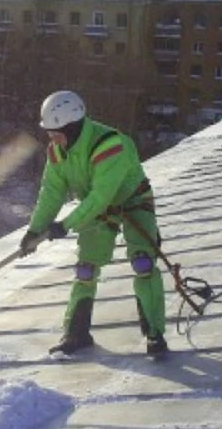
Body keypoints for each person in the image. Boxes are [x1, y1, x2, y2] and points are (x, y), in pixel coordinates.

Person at [20, 90, 168, 356]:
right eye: (50, 132)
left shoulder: (109, 144)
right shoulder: (57, 151)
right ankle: (76, 333)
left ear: (72, 127)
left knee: (143, 262)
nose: (51, 138)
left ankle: (155, 334)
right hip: (97, 209)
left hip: (133, 202)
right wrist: (35, 229)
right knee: (86, 269)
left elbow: (100, 196)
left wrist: (65, 225)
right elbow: (52, 191)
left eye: (56, 132)